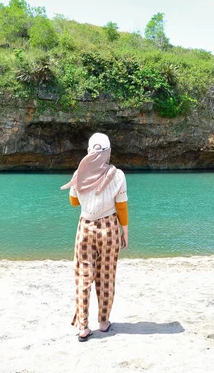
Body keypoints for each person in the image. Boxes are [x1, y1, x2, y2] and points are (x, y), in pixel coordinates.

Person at [60, 132, 129, 342]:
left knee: (83, 276)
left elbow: (73, 202)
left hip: (85, 227)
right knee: (106, 276)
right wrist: (124, 231)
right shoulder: (117, 175)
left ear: (89, 151)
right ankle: (103, 322)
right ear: (108, 152)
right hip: (109, 227)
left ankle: (83, 327)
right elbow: (121, 207)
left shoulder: (79, 174)